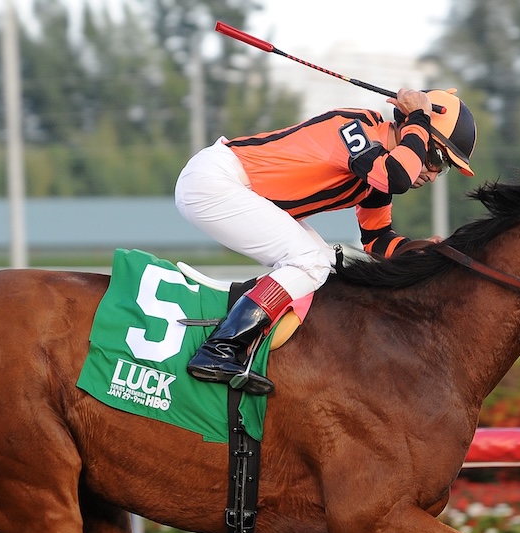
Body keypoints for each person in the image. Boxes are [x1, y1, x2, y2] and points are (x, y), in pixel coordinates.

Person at [174, 87, 478, 395]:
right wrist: (419, 118)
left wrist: (425, 252)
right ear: (405, 126)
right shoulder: (355, 128)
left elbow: (377, 239)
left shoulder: (378, 173)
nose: (433, 173)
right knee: (311, 261)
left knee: (326, 264)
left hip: (238, 188)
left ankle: (267, 349)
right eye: (435, 155)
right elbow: (397, 177)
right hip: (215, 179)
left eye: (445, 167)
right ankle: (220, 348)